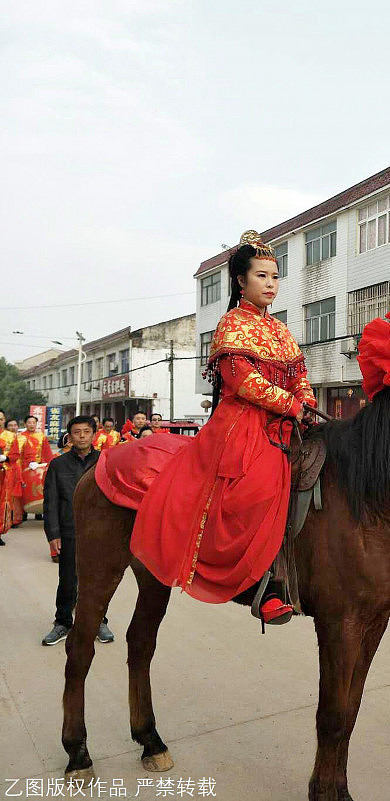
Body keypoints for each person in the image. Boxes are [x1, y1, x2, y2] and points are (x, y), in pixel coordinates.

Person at [129, 230, 317, 626]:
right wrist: (292, 406)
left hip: (287, 419)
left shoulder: (281, 330)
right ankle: (261, 583)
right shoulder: (232, 323)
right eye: (262, 276)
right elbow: (243, 381)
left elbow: (299, 373)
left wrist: (307, 401)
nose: (270, 284)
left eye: (275, 276)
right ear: (241, 281)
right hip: (245, 423)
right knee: (260, 487)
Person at [42, 415, 114, 646]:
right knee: (67, 580)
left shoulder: (106, 461)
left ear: (94, 434)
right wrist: (53, 534)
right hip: (69, 531)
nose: (82, 436)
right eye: (77, 432)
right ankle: (62, 622)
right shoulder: (58, 464)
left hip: (100, 533)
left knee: (99, 581)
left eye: (86, 432)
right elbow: (50, 502)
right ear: (70, 436)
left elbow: (115, 498)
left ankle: (98, 621)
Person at [4, 418, 23, 529]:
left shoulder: (23, 438)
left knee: (14, 496)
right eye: (10, 425)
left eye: (15, 425)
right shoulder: (6, 437)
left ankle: (14, 519)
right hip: (8, 468)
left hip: (16, 469)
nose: (13, 427)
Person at [0, 409, 14, 544]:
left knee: (3, 503)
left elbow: (15, 455)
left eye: (1, 419)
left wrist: (6, 457)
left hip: (5, 473)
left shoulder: (11, 436)